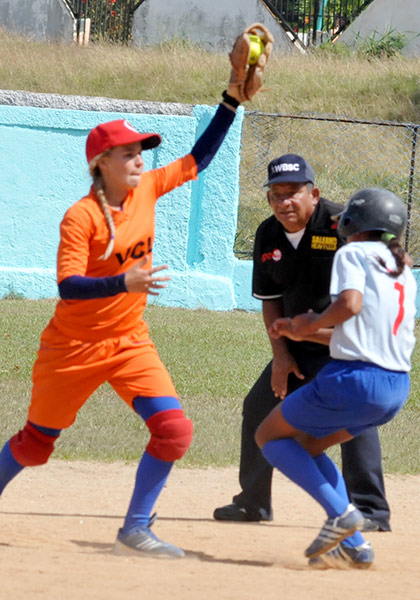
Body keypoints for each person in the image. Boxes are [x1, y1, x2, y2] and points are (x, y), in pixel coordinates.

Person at [0, 29, 271, 558]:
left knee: (174, 431)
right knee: (35, 445)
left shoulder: (146, 189)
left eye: (141, 150)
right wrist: (123, 282)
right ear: (101, 163)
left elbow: (197, 160)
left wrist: (231, 100)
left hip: (129, 342)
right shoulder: (80, 217)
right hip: (72, 350)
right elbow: (68, 285)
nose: (140, 160)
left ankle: (136, 526)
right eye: (127, 153)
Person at [214, 155, 392, 531]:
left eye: (293, 192)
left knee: (353, 415)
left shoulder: (345, 226)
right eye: (276, 194)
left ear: (314, 193)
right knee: (259, 407)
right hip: (296, 344)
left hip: (346, 344)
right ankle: (253, 503)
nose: (284, 202)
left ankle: (370, 511)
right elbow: (271, 300)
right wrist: (280, 356)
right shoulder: (268, 234)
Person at [255, 187, 416, 569]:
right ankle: (355, 545)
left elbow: (349, 305)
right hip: (395, 388)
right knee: (307, 447)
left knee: (269, 437)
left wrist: (312, 320)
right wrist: (300, 331)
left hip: (354, 380)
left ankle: (342, 514)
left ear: (350, 224)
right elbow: (362, 333)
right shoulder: (403, 268)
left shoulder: (352, 252)